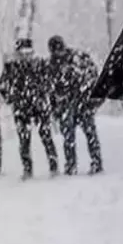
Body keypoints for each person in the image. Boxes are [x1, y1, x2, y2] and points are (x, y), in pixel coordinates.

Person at [0, 39, 57, 179]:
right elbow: (2, 86)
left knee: (46, 136)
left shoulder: (40, 64)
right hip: (21, 108)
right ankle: (27, 169)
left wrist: (46, 96)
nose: (25, 55)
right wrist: (10, 98)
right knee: (24, 140)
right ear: (17, 53)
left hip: (39, 107)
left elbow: (50, 82)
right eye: (22, 52)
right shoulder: (11, 67)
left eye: (28, 52)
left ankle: (53, 166)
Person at [46, 35, 103, 175]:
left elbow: (93, 77)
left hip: (81, 103)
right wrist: (55, 108)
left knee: (85, 134)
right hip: (68, 104)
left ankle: (93, 163)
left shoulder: (77, 58)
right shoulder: (53, 65)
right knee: (71, 136)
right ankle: (74, 164)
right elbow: (51, 89)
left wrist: (92, 100)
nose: (58, 53)